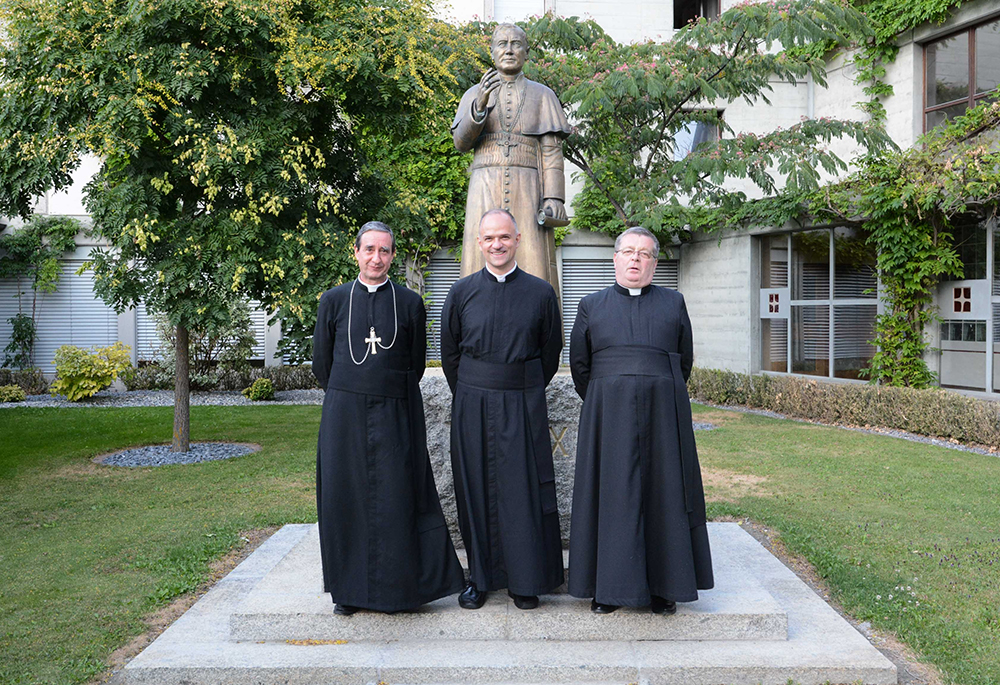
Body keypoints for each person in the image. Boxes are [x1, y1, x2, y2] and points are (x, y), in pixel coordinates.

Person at [312, 221, 465, 615]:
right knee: (346, 496)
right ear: (357, 253)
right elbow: (322, 365)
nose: (376, 258)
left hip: (397, 411)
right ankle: (348, 592)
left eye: (384, 251)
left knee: (398, 495)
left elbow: (414, 364)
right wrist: (354, 391)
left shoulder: (410, 303)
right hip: (345, 413)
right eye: (369, 250)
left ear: (393, 256)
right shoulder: (333, 300)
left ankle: (401, 589)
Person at [568, 226, 714, 615]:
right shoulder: (591, 304)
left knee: (664, 495)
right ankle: (606, 587)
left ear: (654, 262)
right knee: (610, 496)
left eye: (645, 254)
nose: (635, 259)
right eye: (628, 252)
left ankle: (664, 586)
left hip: (664, 416)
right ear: (615, 258)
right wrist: (607, 396)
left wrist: (658, 390)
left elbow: (683, 360)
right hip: (607, 417)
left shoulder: (673, 302)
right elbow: (580, 366)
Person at [441, 209, 564, 611]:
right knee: (474, 488)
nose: (497, 244)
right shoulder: (460, 293)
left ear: (518, 240)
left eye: (504, 238)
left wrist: (520, 389)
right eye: (489, 238)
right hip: (472, 402)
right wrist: (473, 392)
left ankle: (524, 581)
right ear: (479, 243)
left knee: (521, 491)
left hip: (522, 402)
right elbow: (450, 355)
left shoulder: (542, 293)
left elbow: (550, 352)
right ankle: (478, 578)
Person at [451, 22, 572, 294]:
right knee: (476, 261)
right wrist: (479, 106)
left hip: (528, 186)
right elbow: (461, 142)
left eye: (516, 44)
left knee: (533, 263)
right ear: (491, 52)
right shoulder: (473, 93)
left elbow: (552, 150)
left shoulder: (543, 95)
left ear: (526, 52)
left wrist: (553, 198)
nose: (508, 50)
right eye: (502, 44)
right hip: (484, 183)